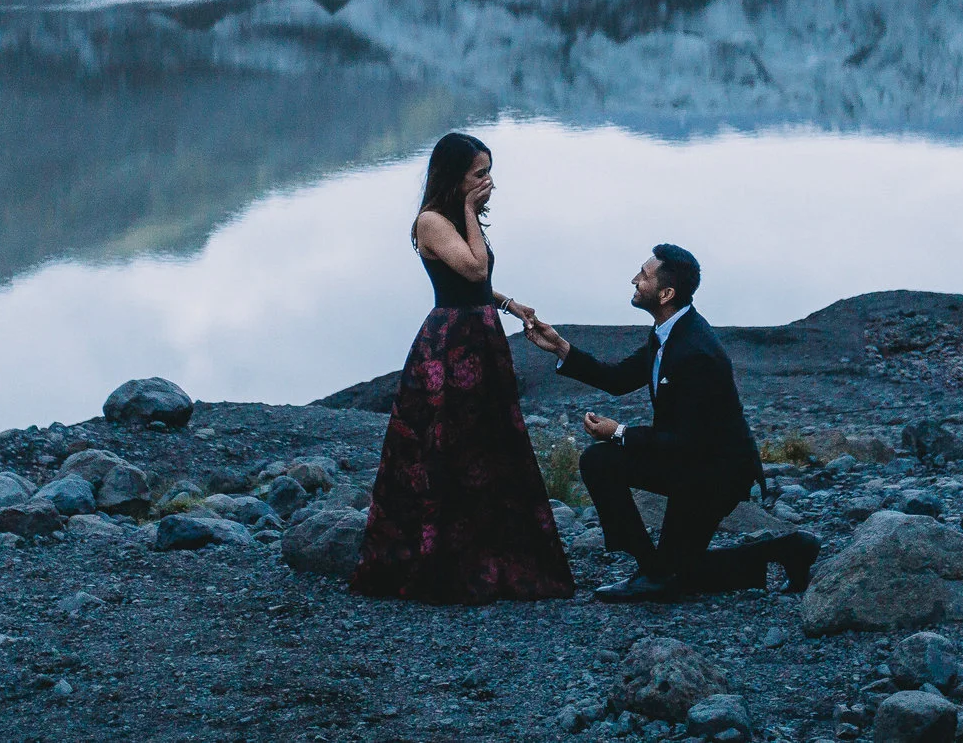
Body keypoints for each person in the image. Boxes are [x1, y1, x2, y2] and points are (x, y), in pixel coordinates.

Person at [349, 132, 576, 604]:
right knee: (447, 446)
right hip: (451, 346)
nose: (488, 182)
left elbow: (476, 282)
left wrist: (510, 304)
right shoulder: (432, 221)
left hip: (480, 336)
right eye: (479, 174)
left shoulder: (452, 220)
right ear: (454, 176)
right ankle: (441, 561)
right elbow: (472, 270)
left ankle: (492, 556)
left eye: (489, 172)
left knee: (487, 444)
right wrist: (471, 212)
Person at [524, 243, 817, 602]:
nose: (634, 279)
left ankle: (662, 573)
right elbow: (617, 379)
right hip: (689, 462)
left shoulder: (696, 351)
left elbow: (688, 440)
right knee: (603, 465)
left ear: (666, 293)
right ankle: (656, 568)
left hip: (714, 474)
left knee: (678, 573)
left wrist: (618, 432)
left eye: (643, 276)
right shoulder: (667, 333)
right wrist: (559, 347)